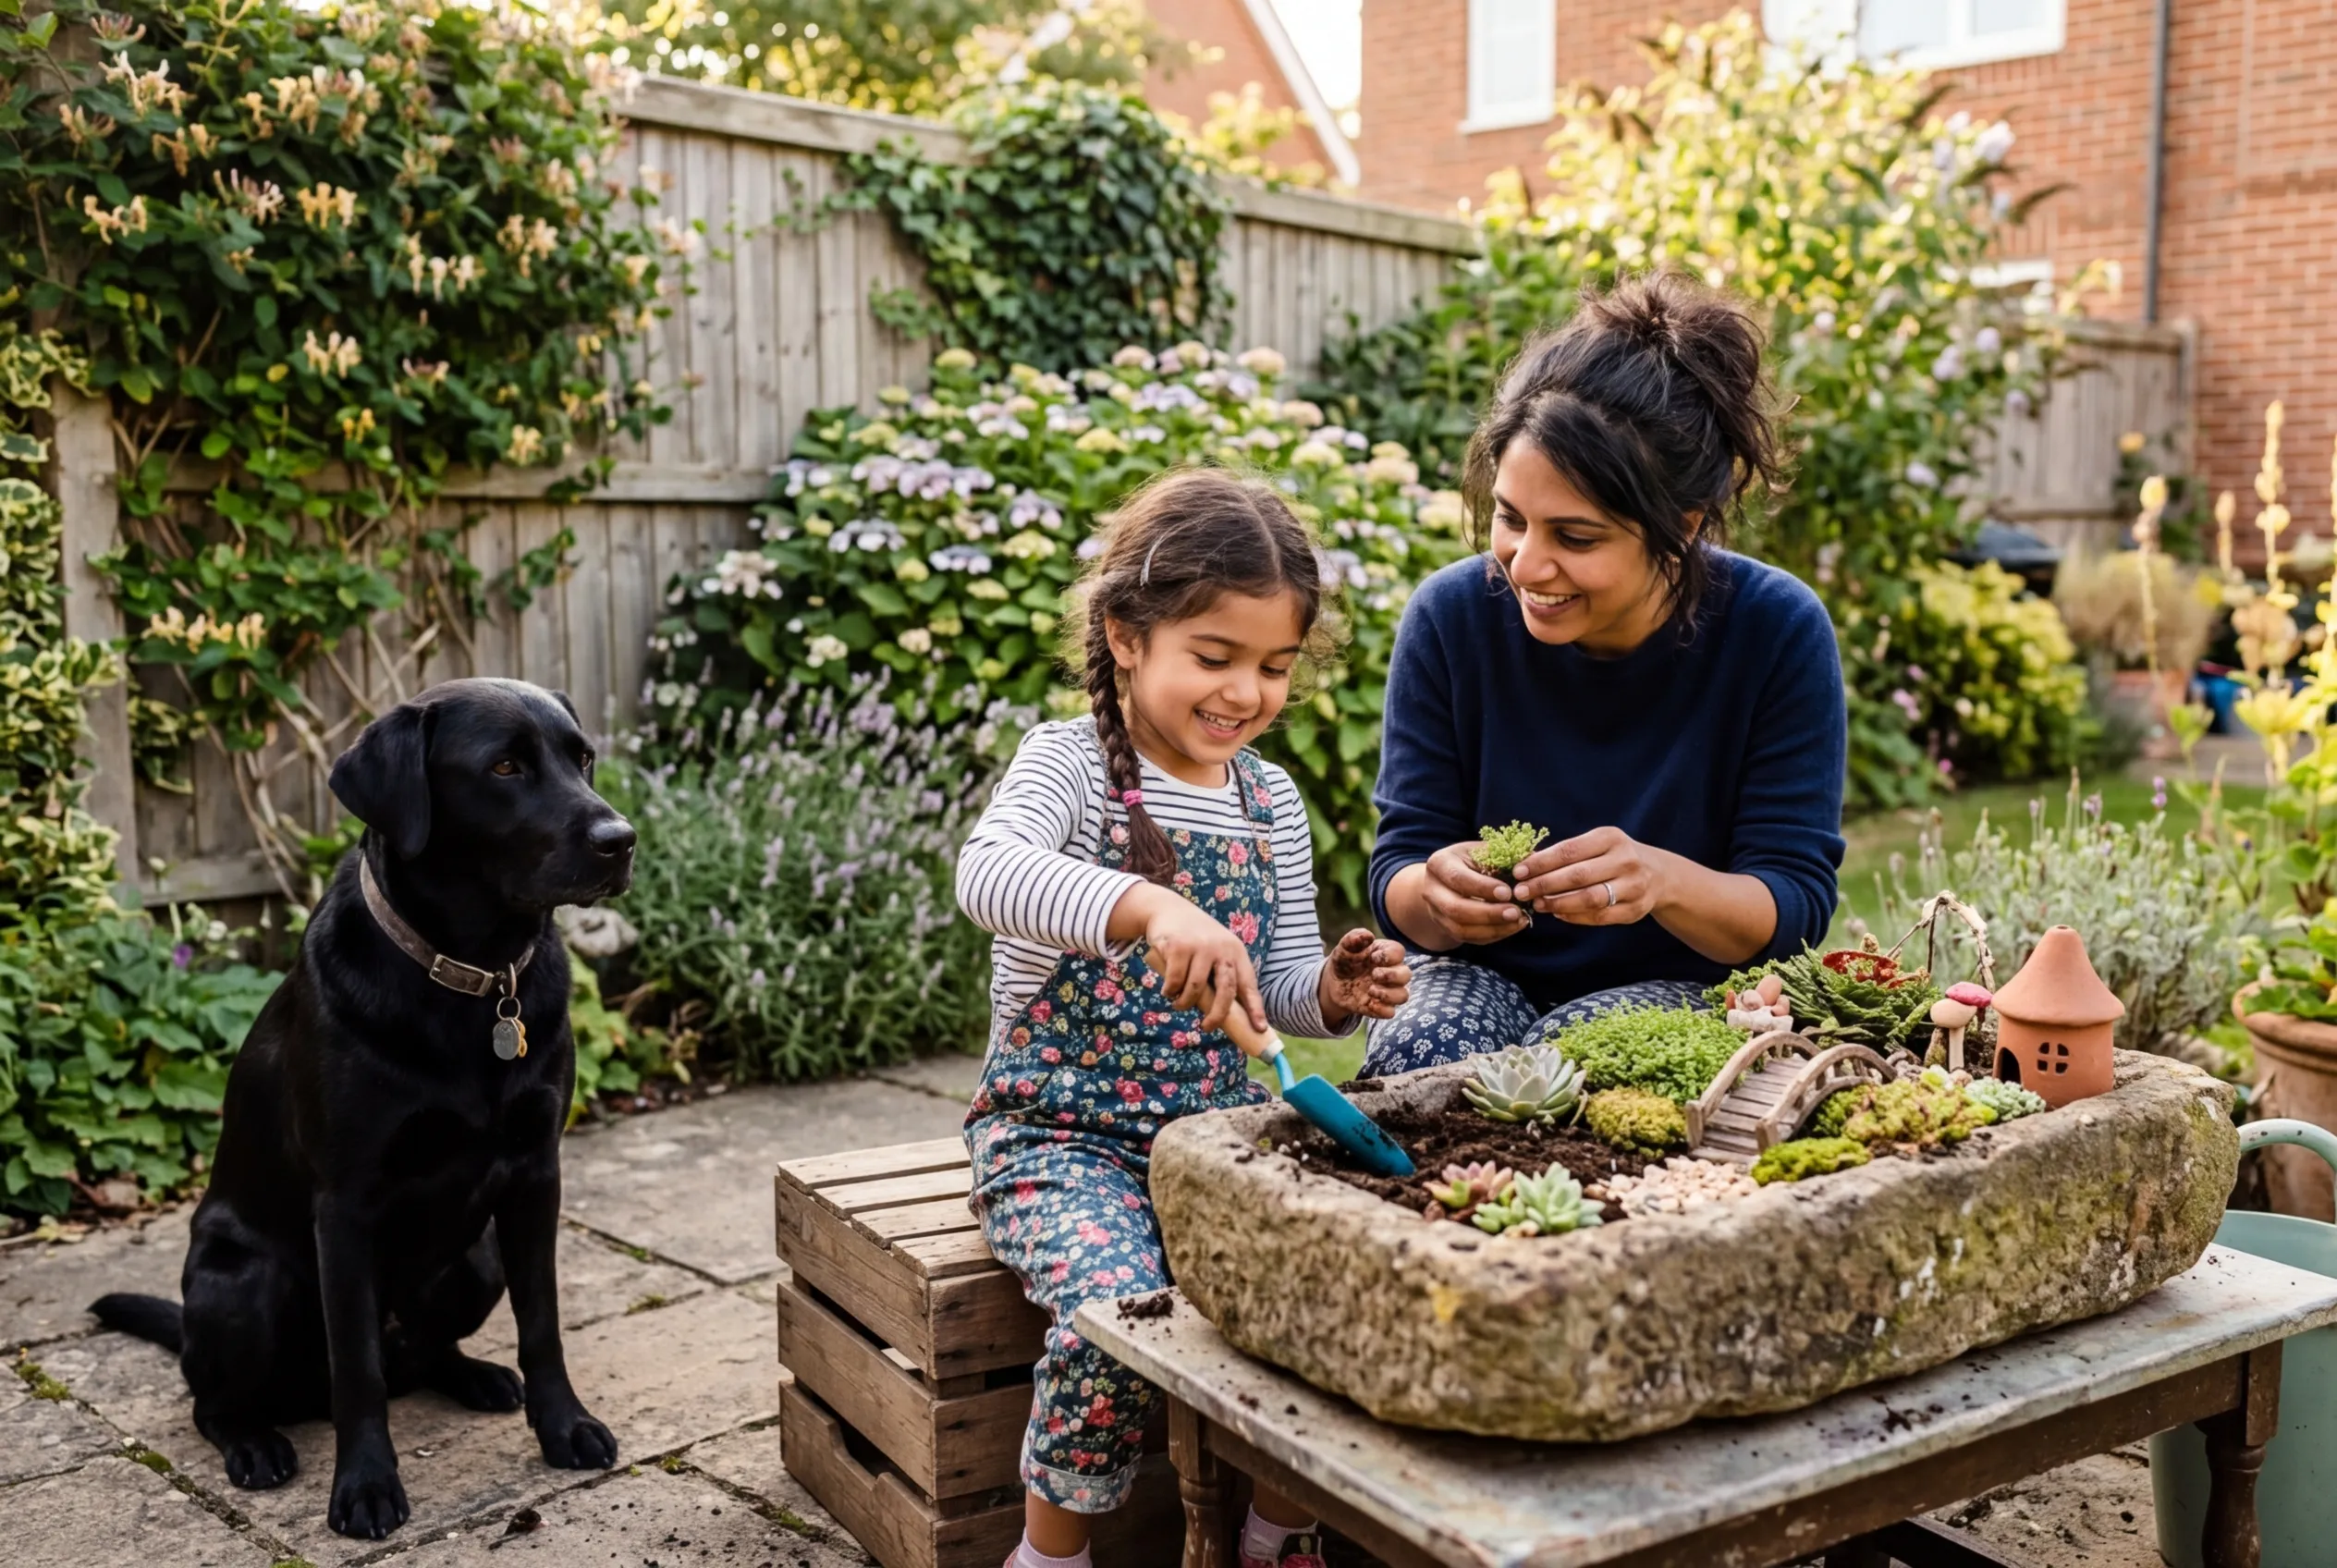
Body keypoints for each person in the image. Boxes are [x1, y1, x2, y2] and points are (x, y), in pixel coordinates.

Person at [957, 468, 1413, 1568]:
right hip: (1059, 1136)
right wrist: (1147, 903)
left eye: (1273, 666)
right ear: (1124, 634)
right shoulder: (1064, 765)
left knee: (1327, 1288)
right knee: (1122, 1314)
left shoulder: (1269, 801)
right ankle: (1049, 1555)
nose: (1244, 692)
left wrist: (1334, 993)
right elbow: (987, 873)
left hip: (1217, 1137)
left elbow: (1284, 986)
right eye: (1214, 658)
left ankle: (1274, 1532)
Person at [1363, 271, 1846, 1078]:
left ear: (1681, 529)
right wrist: (1434, 896)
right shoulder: (1450, 618)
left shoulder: (1776, 631)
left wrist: (1659, 880)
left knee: (1584, 1068)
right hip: (1478, 976)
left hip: (1681, 986)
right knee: (1425, 1056)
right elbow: (1399, 868)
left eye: (1576, 537)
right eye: (1511, 518)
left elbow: (1791, 907)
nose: (1527, 562)